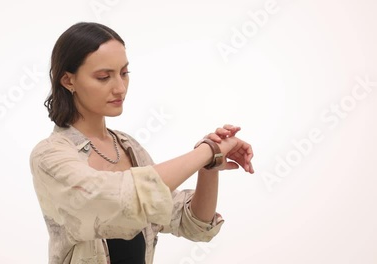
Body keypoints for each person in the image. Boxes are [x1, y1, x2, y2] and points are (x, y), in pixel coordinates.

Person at [29, 22, 255, 264]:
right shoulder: (49, 156)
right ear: (68, 80)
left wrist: (210, 165)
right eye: (104, 77)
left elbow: (192, 224)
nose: (120, 87)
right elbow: (116, 201)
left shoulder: (129, 147)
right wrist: (207, 151)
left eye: (124, 73)